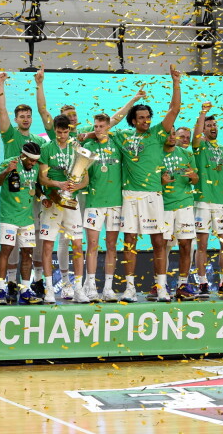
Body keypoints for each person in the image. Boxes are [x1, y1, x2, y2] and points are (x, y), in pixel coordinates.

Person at [112, 65, 182, 303]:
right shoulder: (123, 136)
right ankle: (129, 288)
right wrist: (88, 135)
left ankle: (161, 287)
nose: (144, 120)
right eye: (140, 117)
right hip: (130, 195)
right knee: (129, 241)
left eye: (147, 117)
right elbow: (107, 126)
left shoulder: (157, 133)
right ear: (133, 120)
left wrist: (176, 82)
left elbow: (174, 109)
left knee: (159, 242)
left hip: (154, 195)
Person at [81, 88, 147, 302]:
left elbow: (118, 117)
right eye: (96, 126)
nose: (98, 129)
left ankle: (107, 288)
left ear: (109, 127)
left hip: (115, 204)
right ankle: (90, 287)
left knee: (111, 246)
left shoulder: (117, 142)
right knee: (92, 245)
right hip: (94, 203)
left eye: (102, 126)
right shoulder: (87, 145)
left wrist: (134, 99)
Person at [0, 72, 47, 298]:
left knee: (28, 247)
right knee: (9, 249)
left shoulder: (39, 142)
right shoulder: (10, 136)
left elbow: (42, 174)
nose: (26, 119)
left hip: (31, 201)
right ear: (16, 120)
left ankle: (27, 287)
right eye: (22, 116)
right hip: (10, 201)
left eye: (28, 116)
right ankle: (8, 285)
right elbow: (1, 112)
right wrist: (0, 84)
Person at [192, 101, 223, 299]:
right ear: (203, 129)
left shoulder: (221, 149)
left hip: (221, 202)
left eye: (215, 125)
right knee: (202, 244)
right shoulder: (199, 146)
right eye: (209, 125)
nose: (213, 128)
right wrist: (202, 113)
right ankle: (203, 283)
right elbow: (196, 135)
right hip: (203, 201)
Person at [38, 114, 89, 304]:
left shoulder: (76, 148)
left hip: (71, 204)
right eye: (59, 132)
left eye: (65, 132)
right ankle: (50, 289)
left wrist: (77, 186)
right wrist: (58, 184)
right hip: (53, 202)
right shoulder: (46, 148)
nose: (62, 136)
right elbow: (42, 179)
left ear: (70, 130)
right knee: (48, 245)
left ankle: (78, 289)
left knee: (77, 244)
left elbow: (85, 179)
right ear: (55, 131)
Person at [0, 142, 43, 305]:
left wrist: (43, 198)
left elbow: (37, 187)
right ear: (22, 155)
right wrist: (7, 171)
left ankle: (25, 290)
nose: (33, 163)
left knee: (27, 253)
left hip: (27, 218)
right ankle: (0, 290)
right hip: (9, 216)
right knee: (6, 251)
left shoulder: (35, 168)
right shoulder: (9, 162)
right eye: (30, 160)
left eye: (35, 161)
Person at [161, 127, 199, 300]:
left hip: (185, 204)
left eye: (173, 133)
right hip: (164, 205)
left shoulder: (187, 154)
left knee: (186, 245)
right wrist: (161, 180)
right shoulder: (157, 153)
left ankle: (182, 285)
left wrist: (193, 175)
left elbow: (195, 179)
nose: (172, 136)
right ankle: (159, 285)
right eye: (169, 134)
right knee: (163, 247)